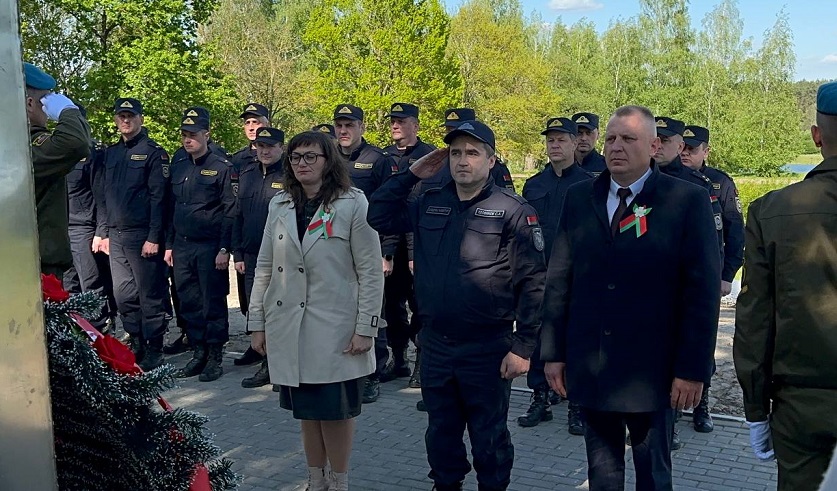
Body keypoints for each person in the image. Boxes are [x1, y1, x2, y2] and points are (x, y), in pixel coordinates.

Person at [541, 105, 721, 491]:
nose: (615, 147)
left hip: (652, 371)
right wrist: (553, 352)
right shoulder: (580, 197)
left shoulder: (685, 200)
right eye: (610, 139)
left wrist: (693, 369)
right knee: (602, 475)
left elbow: (701, 295)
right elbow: (559, 280)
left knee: (653, 476)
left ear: (654, 146)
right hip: (594, 363)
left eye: (628, 139)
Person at [368, 120, 546, 491]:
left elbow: (533, 283)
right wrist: (412, 174)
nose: (462, 160)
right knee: (441, 433)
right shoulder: (430, 202)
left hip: (487, 346)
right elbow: (377, 213)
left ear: (491, 160)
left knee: (489, 437)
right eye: (455, 152)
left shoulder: (512, 210)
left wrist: (523, 347)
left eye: (472, 153)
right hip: (436, 343)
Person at [248, 130, 384, 491]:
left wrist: (366, 328)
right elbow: (265, 267)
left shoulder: (353, 203)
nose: (302, 163)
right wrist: (257, 323)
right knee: (307, 413)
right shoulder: (280, 204)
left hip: (336, 329)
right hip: (290, 326)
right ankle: (315, 480)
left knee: (335, 414)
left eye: (311, 156)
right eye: (296, 157)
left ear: (328, 161)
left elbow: (370, 271)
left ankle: (339, 482)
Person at [734, 81, 837, 491]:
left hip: (802, 405)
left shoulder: (772, 210)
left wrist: (755, 409)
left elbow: (755, 318)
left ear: (816, 136)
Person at [518, 117, 593, 432]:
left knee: (575, 339)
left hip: (576, 276)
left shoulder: (590, 184)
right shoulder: (535, 184)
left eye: (562, 139)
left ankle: (576, 404)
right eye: (550, 140)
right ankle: (539, 398)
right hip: (538, 274)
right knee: (537, 337)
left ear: (575, 143)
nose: (555, 145)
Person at [96, 98, 171, 369]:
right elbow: (103, 196)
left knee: (149, 294)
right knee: (123, 294)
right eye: (121, 116)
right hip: (116, 235)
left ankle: (154, 347)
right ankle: (136, 339)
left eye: (130, 116)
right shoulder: (111, 153)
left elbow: (159, 198)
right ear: (116, 120)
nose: (125, 121)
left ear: (141, 118)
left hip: (142, 236)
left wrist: (154, 237)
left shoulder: (153, 153)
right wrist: (103, 231)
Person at [165, 112, 237, 382]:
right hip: (182, 245)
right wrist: (169, 245)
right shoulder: (179, 165)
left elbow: (230, 210)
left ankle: (215, 356)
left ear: (206, 135)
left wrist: (224, 248)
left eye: (193, 135)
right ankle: (198, 351)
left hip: (209, 247)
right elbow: (172, 207)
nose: (188, 140)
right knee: (189, 301)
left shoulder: (221, 167)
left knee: (212, 302)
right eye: (184, 135)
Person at [333, 103, 396, 403]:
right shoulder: (328, 157)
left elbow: (390, 206)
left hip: (370, 246)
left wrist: (387, 252)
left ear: (362, 127)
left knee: (373, 310)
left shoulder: (377, 159)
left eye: (349, 125)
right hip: (336, 248)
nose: (343, 131)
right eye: (339, 125)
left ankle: (373, 374)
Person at [381, 103, 437, 386]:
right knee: (392, 307)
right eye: (393, 121)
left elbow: (424, 208)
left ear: (415, 125)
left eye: (401, 121)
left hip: (421, 248)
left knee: (421, 307)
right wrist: (386, 252)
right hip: (393, 248)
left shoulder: (430, 157)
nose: (395, 125)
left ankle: (421, 362)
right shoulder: (384, 158)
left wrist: (416, 252)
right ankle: (399, 358)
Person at [24, 62, 91, 277]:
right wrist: (67, 111)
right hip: (36, 264)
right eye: (46, 100)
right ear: (30, 103)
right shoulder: (29, 145)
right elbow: (75, 143)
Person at [233, 127, 286, 389]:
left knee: (277, 310)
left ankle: (275, 366)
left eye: (270, 146)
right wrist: (237, 253)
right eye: (260, 146)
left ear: (281, 148)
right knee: (256, 310)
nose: (264, 151)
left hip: (281, 255)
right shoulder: (247, 174)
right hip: (252, 254)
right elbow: (237, 215)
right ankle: (264, 359)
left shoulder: (290, 176)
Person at [64, 120, 116, 333]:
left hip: (84, 228)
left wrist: (101, 232)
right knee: (68, 285)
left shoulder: (92, 155)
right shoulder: (58, 153)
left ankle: (99, 330)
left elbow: (101, 197)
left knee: (91, 283)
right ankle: (77, 330)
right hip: (62, 228)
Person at [230, 102, 271, 367]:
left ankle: (270, 353)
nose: (252, 127)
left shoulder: (284, 161)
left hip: (274, 247)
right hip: (248, 245)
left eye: (256, 121)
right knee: (248, 300)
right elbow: (235, 209)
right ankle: (255, 345)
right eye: (248, 122)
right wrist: (236, 250)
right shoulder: (238, 161)